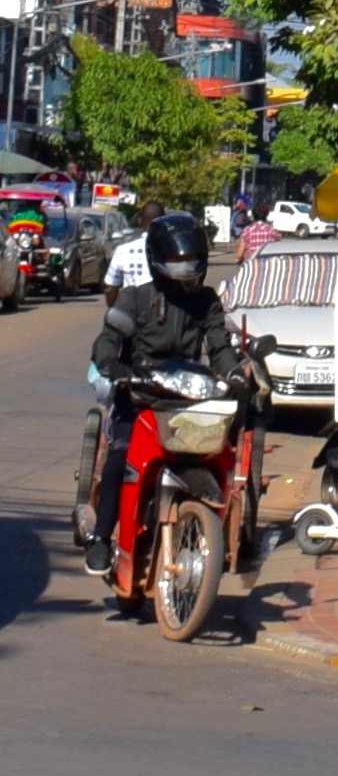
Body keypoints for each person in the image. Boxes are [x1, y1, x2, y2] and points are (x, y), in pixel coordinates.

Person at [84, 211, 237, 577]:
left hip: (186, 400)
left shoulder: (207, 301)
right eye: (176, 261)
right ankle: (101, 538)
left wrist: (234, 373)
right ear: (156, 259)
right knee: (119, 455)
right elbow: (107, 341)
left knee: (220, 453)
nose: (185, 269)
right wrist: (112, 365)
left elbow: (219, 346)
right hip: (138, 398)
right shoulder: (134, 299)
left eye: (192, 261)